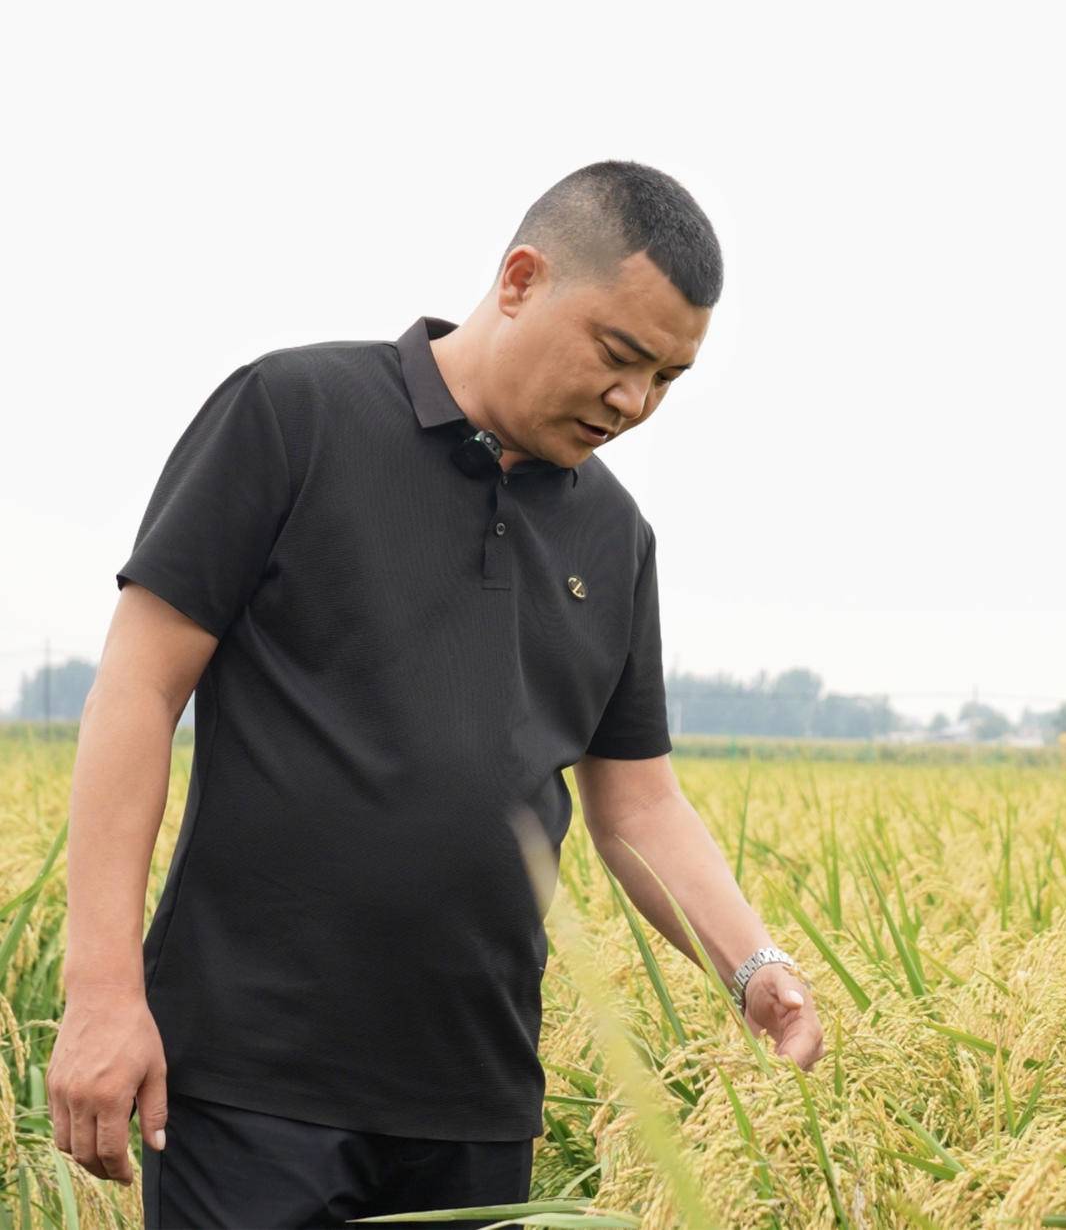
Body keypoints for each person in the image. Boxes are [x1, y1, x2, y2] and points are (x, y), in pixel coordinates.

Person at [48, 159, 825, 1229]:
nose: (635, 402)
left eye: (668, 379)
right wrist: (102, 993)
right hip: (248, 1086)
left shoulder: (616, 536)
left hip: (474, 1102)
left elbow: (639, 804)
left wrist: (754, 969)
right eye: (618, 355)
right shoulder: (293, 414)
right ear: (520, 280)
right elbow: (138, 690)